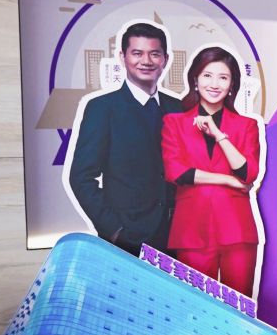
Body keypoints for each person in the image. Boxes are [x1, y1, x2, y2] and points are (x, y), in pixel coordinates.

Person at [68, 22, 182, 255]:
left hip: (177, 236)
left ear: (166, 59)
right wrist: (115, 231)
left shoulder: (178, 108)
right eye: (137, 53)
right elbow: (81, 177)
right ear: (122, 57)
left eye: (154, 54)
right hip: (126, 238)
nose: (146, 61)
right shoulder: (102, 108)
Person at [161, 47, 262, 296]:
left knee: (239, 306)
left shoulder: (247, 125)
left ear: (232, 85)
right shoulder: (174, 122)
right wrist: (227, 180)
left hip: (237, 230)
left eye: (223, 77)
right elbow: (176, 172)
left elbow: (248, 174)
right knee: (194, 306)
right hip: (191, 231)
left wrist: (219, 135)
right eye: (207, 75)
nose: (214, 84)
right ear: (195, 80)